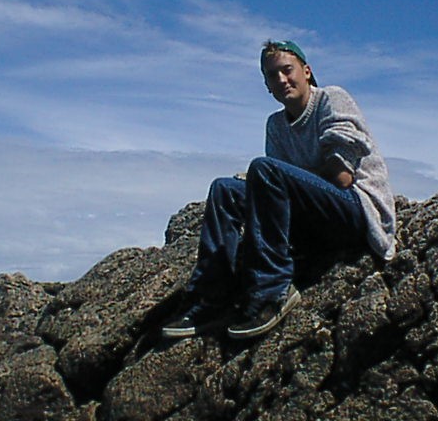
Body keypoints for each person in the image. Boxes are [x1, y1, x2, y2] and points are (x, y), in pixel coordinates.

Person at [162, 40, 396, 340]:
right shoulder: (275, 125)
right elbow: (275, 196)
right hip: (315, 219)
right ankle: (211, 297)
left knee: (263, 170)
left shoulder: (331, 99)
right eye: (272, 75)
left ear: (306, 71)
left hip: (356, 212)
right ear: (267, 85)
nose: (282, 79)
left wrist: (278, 181)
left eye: (287, 70)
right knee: (225, 189)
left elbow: (342, 177)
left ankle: (273, 292)